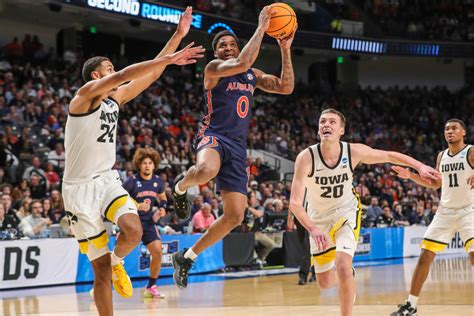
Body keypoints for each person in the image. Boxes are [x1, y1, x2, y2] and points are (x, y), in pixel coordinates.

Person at [61, 7, 203, 315]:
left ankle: (116, 261)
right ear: (97, 76)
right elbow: (127, 74)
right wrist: (167, 58)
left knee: (134, 230)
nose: (116, 70)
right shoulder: (83, 97)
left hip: (105, 179)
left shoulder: (115, 99)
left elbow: (150, 74)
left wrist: (177, 37)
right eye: (109, 67)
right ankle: (107, 275)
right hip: (79, 190)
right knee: (98, 274)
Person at [170, 5, 296, 289]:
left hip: (238, 147)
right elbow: (241, 62)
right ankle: (181, 187)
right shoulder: (214, 69)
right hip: (213, 135)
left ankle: (186, 257)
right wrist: (262, 27)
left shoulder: (252, 74)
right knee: (205, 169)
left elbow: (286, 87)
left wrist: (285, 49)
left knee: (236, 215)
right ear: (217, 53)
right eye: (222, 45)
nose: (227, 48)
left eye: (232, 44)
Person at [288, 109, 440, 316]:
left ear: (341, 130)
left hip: (346, 211)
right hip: (318, 219)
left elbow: (388, 155)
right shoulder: (305, 158)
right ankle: (347, 275)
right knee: (324, 283)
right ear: (318, 128)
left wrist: (419, 166)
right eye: (323, 121)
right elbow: (295, 203)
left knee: (341, 265)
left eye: (332, 122)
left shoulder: (352, 151)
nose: (327, 125)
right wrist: (313, 229)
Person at [391, 119, 473, 316]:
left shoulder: (470, 151)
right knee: (425, 255)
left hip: (469, 210)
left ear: (463, 133)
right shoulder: (441, 155)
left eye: (454, 128)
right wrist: (410, 175)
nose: (450, 131)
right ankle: (411, 305)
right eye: (446, 129)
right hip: (445, 211)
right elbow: (435, 184)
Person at [123, 148, 167, 299]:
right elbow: (120, 199)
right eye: (144, 163)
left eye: (150, 163)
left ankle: (151, 286)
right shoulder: (132, 181)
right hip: (131, 222)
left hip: (147, 222)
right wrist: (136, 205)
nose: (147, 166)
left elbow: (163, 198)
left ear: (154, 165)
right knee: (116, 257)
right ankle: (100, 286)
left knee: (157, 251)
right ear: (139, 165)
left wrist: (162, 208)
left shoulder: (157, 181)